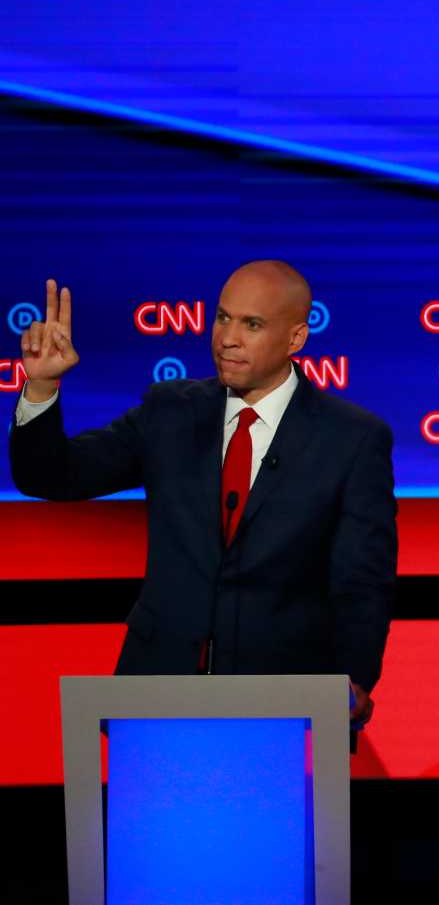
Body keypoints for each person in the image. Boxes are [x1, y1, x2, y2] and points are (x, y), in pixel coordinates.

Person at [9, 263, 397, 724]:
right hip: (157, 694)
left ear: (295, 339)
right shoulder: (171, 413)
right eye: (222, 318)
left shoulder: (350, 439)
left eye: (251, 324)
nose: (227, 338)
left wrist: (352, 682)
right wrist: (42, 384)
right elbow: (52, 476)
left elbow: (362, 582)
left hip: (282, 705)